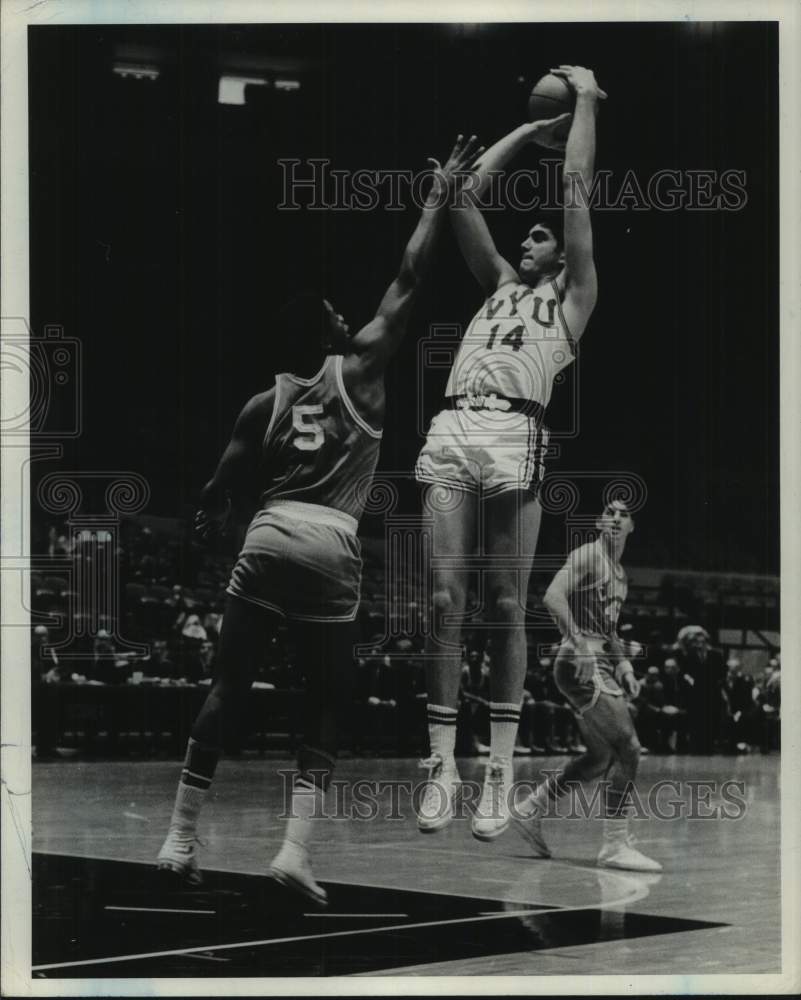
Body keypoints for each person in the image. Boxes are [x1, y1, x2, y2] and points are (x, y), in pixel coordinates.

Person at [155, 136, 482, 905]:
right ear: (328, 335)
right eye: (337, 313)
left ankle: (176, 837)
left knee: (228, 686)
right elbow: (408, 276)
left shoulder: (258, 404)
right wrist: (436, 201)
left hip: (267, 534)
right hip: (330, 539)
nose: (347, 315)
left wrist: (209, 522)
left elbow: (214, 491)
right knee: (330, 698)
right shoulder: (362, 368)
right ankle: (294, 852)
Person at [414, 65, 606, 839]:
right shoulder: (495, 280)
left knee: (501, 607)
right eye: (522, 232)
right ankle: (439, 763)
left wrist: (584, 103)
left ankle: (498, 770)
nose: (527, 234)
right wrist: (526, 129)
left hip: (513, 433)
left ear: (558, 256)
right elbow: (459, 198)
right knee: (440, 603)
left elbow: (573, 191)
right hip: (455, 427)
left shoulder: (573, 295)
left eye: (538, 234)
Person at [515, 499, 662, 872]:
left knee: (600, 757)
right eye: (609, 512)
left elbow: (609, 629)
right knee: (628, 747)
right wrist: (580, 645)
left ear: (632, 527)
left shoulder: (620, 574)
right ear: (599, 521)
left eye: (624, 514)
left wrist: (625, 664)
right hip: (580, 661)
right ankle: (614, 845)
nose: (615, 517)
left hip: (597, 661)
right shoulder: (588, 555)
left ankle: (531, 807)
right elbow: (552, 596)